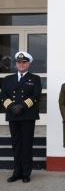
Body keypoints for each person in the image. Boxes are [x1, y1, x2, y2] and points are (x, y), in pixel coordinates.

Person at [0, 51, 42, 183]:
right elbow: (3, 95)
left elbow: (35, 96)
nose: (21, 64)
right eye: (18, 62)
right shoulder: (8, 79)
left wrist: (22, 106)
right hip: (13, 115)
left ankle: (26, 173)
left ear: (28, 63)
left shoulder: (34, 78)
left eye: (24, 62)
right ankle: (16, 172)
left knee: (27, 145)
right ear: (15, 64)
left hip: (27, 115)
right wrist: (12, 107)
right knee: (16, 145)